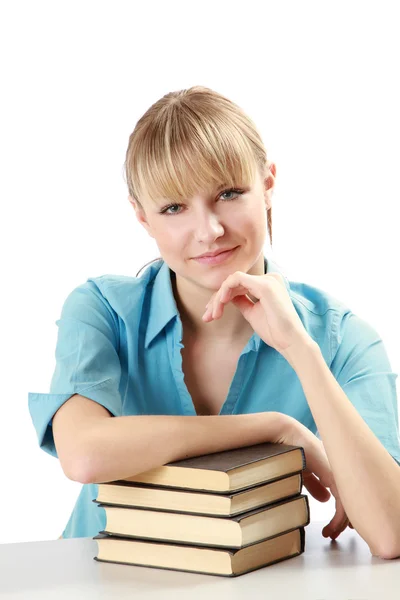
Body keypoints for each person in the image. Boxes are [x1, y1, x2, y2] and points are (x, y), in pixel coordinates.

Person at [28, 86, 400, 558]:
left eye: (228, 193)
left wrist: (302, 354)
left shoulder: (342, 338)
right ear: (143, 218)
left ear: (267, 185)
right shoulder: (102, 308)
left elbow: (390, 534)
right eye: (173, 208)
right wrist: (277, 429)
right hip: (99, 574)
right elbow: (83, 455)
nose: (209, 232)